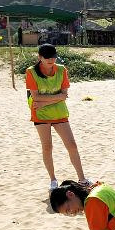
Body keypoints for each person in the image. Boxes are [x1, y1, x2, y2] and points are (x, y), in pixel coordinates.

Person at [26, 44, 89, 191]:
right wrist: (57, 97)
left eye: (53, 57)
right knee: (47, 147)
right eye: (47, 57)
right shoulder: (31, 72)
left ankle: (82, 179)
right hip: (40, 115)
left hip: (59, 113)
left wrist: (43, 101)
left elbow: (64, 95)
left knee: (72, 145)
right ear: (40, 57)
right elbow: (35, 96)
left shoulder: (61, 70)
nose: (51, 60)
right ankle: (53, 180)